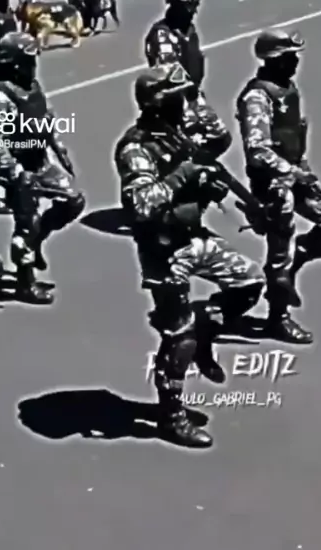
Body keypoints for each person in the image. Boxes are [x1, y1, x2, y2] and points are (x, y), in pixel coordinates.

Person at [114, 63, 264, 448]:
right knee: (178, 337)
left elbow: (216, 144)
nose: (185, 103)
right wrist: (182, 176)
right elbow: (141, 205)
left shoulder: (178, 134)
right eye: (178, 98)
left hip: (192, 236)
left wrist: (206, 186)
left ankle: (205, 330)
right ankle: (171, 415)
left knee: (249, 282)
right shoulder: (136, 148)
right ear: (159, 103)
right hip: (163, 250)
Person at [236, 30, 321, 343]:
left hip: (296, 174)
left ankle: (294, 265)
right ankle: (278, 318)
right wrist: (293, 173)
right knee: (279, 254)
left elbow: (293, 139)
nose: (295, 61)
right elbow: (257, 150)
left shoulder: (287, 89)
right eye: (289, 57)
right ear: (273, 59)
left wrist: (303, 172)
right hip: (273, 184)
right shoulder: (257, 97)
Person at [0, 31, 86, 302]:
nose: (33, 64)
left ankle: (37, 239)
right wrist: (13, 172)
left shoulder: (31, 86)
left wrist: (61, 152)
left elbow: (46, 119)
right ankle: (25, 282)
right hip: (18, 169)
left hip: (40, 161)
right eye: (27, 60)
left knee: (73, 200)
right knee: (26, 223)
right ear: (13, 62)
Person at [144, 0, 230, 157]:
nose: (193, 12)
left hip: (193, 95)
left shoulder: (189, 30)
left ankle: (200, 164)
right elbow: (170, 73)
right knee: (189, 144)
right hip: (176, 100)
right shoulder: (163, 34)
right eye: (188, 7)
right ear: (176, 7)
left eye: (195, 6)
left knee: (221, 137)